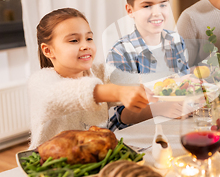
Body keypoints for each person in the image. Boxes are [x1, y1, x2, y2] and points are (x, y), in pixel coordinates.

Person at [28, 8, 156, 149]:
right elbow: (57, 95)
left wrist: (171, 84)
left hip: (92, 156)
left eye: (89, 38)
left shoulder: (100, 72)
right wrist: (116, 91)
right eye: (74, 40)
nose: (85, 46)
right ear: (48, 50)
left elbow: (136, 81)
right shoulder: (40, 82)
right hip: (49, 165)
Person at [106, 0, 192, 126]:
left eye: (163, 4)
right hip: (136, 135)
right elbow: (123, 116)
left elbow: (184, 86)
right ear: (130, 10)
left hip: (175, 125)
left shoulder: (176, 41)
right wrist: (160, 109)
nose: (157, 12)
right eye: (147, 6)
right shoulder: (121, 52)